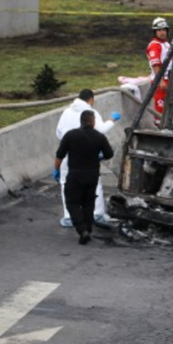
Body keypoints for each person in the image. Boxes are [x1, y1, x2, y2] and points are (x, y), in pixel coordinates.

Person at [56, 89, 119, 228]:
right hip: (89, 157)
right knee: (94, 185)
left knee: (66, 185)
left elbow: (59, 132)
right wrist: (112, 119)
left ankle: (69, 217)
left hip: (69, 157)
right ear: (91, 99)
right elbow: (101, 130)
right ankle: (96, 214)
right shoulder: (92, 113)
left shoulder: (66, 112)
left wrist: (57, 168)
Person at [55, 111, 114, 244]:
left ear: (81, 122)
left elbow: (60, 155)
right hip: (92, 174)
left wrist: (56, 170)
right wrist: (99, 157)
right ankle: (88, 227)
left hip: (75, 174)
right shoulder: (99, 137)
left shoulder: (70, 135)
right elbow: (109, 154)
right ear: (92, 122)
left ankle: (82, 230)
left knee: (72, 202)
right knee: (88, 201)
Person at [147, 17, 173, 121]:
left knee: (169, 106)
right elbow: (155, 64)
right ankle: (159, 127)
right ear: (155, 32)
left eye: (164, 30)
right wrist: (160, 80)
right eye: (159, 30)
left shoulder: (166, 44)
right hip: (161, 79)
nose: (162, 33)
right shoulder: (154, 45)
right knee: (160, 105)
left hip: (170, 78)